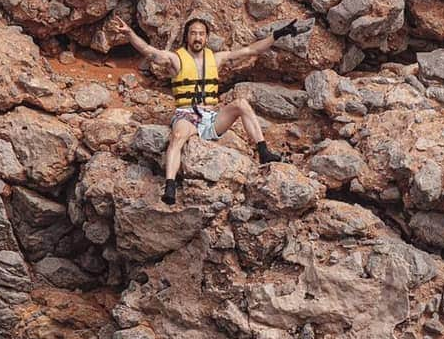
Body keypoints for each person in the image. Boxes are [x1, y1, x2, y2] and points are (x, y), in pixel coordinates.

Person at [115, 13, 313, 205]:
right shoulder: (176, 60)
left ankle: (263, 151)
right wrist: (130, 34)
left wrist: (277, 35)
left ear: (206, 37)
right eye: (193, 33)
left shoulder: (216, 59)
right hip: (187, 115)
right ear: (187, 36)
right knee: (178, 136)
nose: (197, 37)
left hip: (211, 118)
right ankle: (170, 186)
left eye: (201, 33)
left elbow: (251, 51)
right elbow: (149, 51)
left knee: (241, 104)